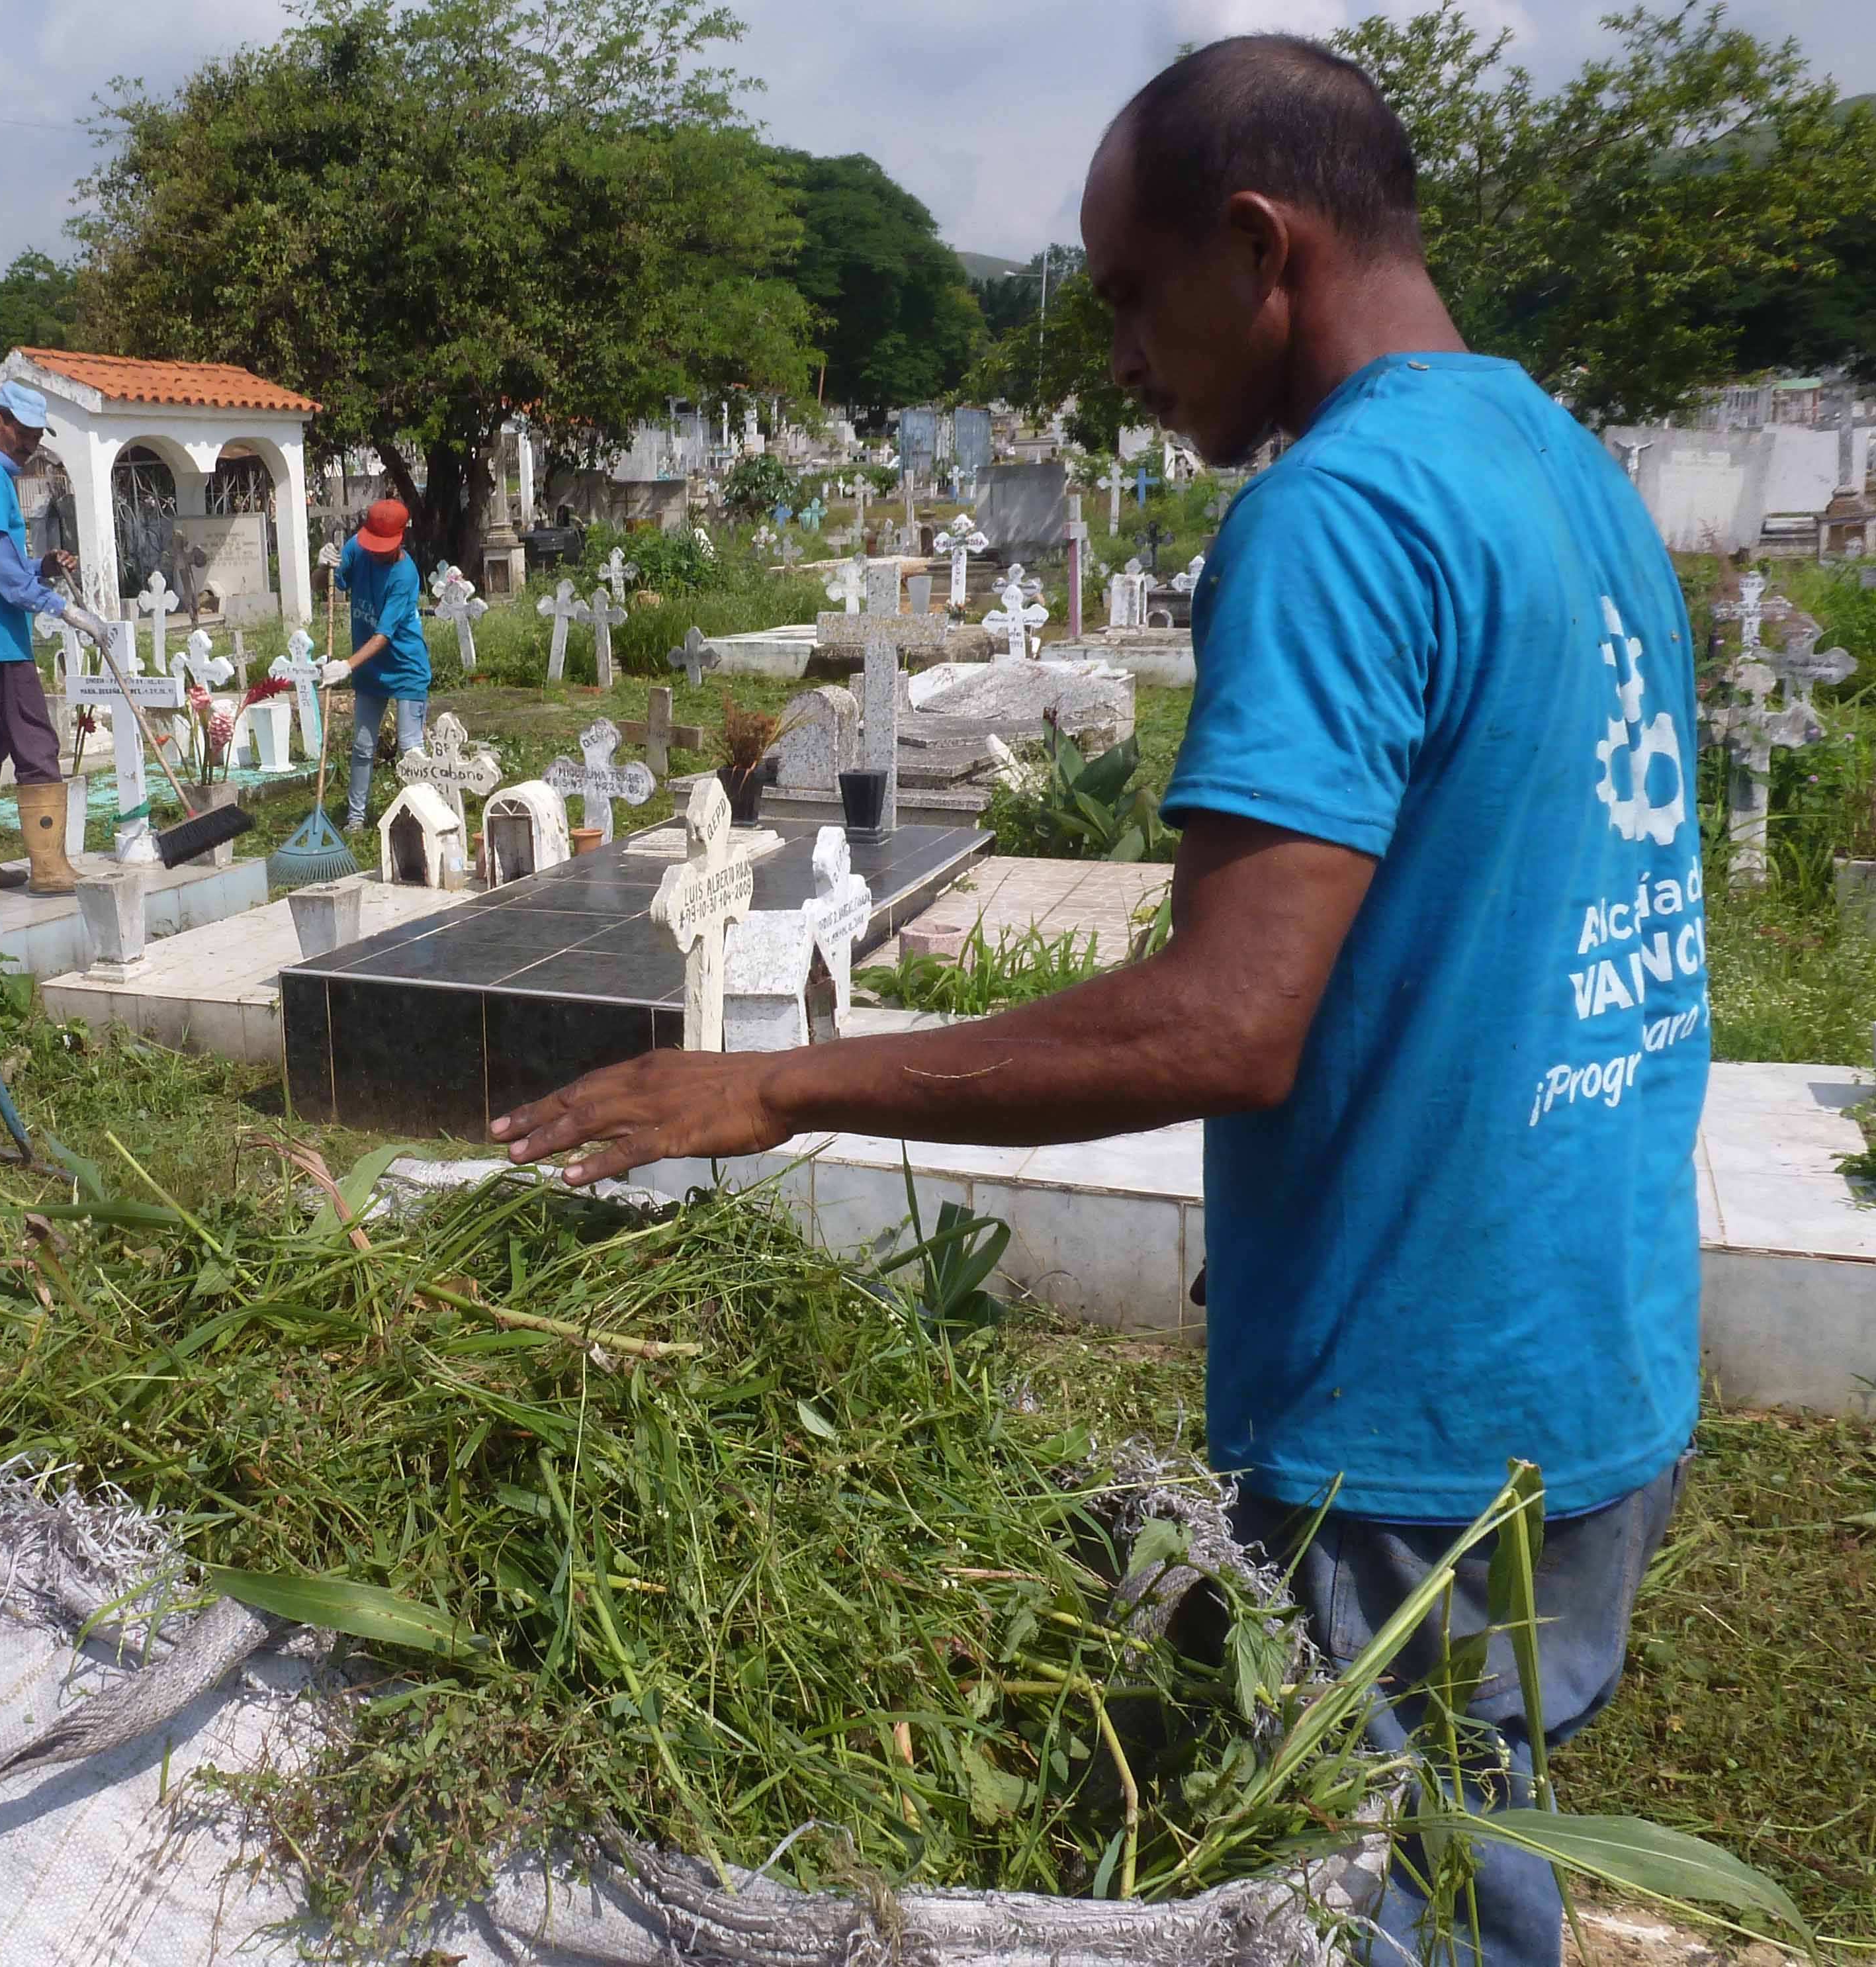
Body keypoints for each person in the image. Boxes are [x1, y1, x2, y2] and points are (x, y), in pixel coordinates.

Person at [492, 36, 1704, 1967]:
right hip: (1592, 1346)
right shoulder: (1559, 467)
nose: (1118, 362)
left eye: (1134, 299)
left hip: (1416, 1401)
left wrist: (785, 1089)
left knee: (1381, 1905)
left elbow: (1232, 1018)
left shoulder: (1340, 519)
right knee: (1474, 1845)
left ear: (1259, 246)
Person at [0, 378, 105, 896]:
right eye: (25, 432)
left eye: (38, 434)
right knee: (36, 743)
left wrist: (43, 566)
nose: (32, 443)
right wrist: (63, 609)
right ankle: (51, 870)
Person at [332, 498, 433, 828]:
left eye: (383, 546)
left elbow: (383, 635)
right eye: (372, 544)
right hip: (370, 670)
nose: (375, 552)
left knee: (410, 750)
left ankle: (424, 817)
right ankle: (355, 819)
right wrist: (322, 566)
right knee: (362, 747)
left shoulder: (404, 575)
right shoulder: (357, 549)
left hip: (406, 668)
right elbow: (330, 584)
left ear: (400, 539)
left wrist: (346, 665)